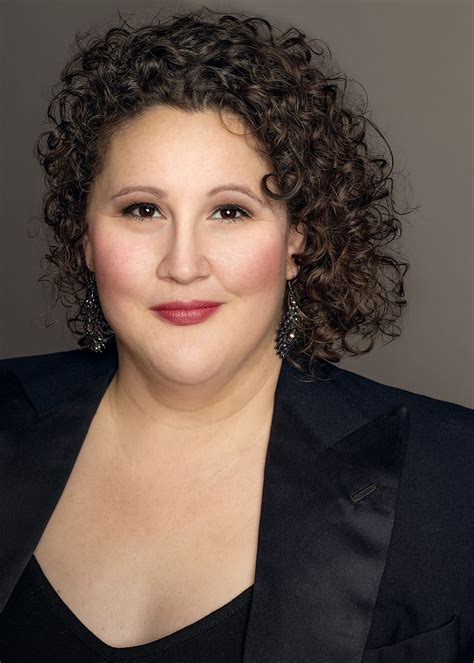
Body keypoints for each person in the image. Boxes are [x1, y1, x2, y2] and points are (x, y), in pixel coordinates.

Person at [0, 6, 472, 662]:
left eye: (229, 211)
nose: (183, 264)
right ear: (86, 238)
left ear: (295, 240)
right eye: (143, 209)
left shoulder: (456, 474)